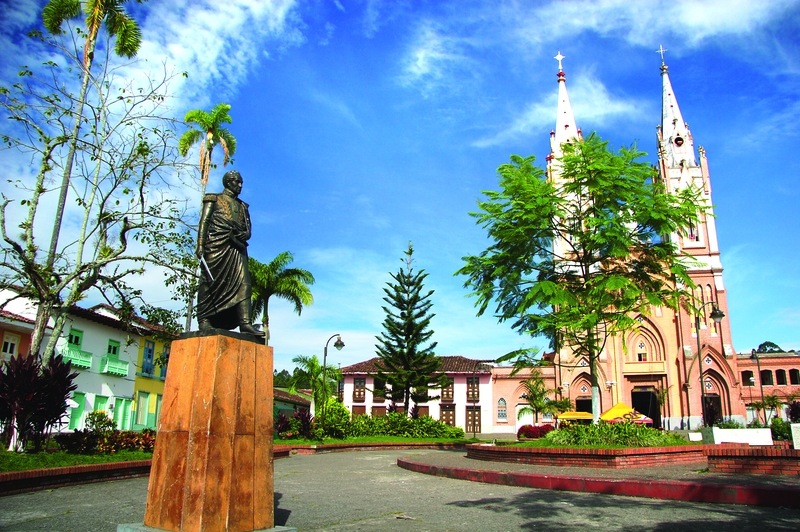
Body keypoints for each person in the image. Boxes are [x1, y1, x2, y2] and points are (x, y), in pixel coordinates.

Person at [195, 170, 264, 337]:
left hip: (237, 248)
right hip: (217, 246)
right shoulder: (214, 199)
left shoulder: (243, 206)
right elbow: (204, 221)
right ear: (227, 182)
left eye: (241, 182)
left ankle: (245, 323)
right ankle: (204, 319)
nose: (240, 185)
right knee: (209, 281)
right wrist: (200, 244)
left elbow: (248, 229)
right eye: (236, 182)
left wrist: (245, 235)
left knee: (244, 283)